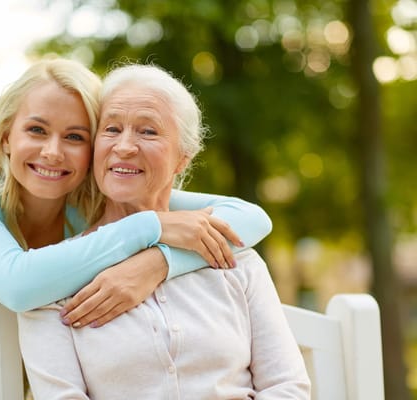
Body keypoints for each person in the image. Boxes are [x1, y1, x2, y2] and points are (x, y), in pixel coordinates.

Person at [0, 58, 272, 399]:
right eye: (37, 130)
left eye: (75, 137)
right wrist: (153, 226)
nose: (53, 152)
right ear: (6, 135)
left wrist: (158, 263)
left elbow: (249, 217)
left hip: (21, 375)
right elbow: (18, 284)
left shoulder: (86, 190)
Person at [18, 63, 310, 399]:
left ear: (183, 158)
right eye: (111, 129)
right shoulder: (55, 278)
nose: (125, 146)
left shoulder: (238, 261)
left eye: (148, 132)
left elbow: (287, 387)